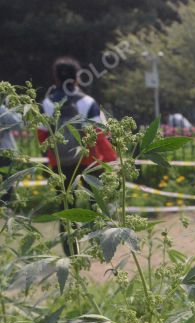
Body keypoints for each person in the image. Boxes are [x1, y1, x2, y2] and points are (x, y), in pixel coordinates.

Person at [38, 56, 116, 255]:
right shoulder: (88, 102)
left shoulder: (46, 104)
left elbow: (42, 137)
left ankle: (71, 253)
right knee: (95, 202)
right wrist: (111, 159)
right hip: (89, 160)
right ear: (77, 77)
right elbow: (98, 134)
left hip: (60, 163)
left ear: (55, 78)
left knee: (67, 208)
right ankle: (99, 245)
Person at [0, 99, 22, 205]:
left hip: (5, 152)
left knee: (7, 184)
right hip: (5, 151)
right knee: (7, 184)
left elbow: (18, 124)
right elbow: (18, 124)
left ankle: (4, 208)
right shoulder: (2, 110)